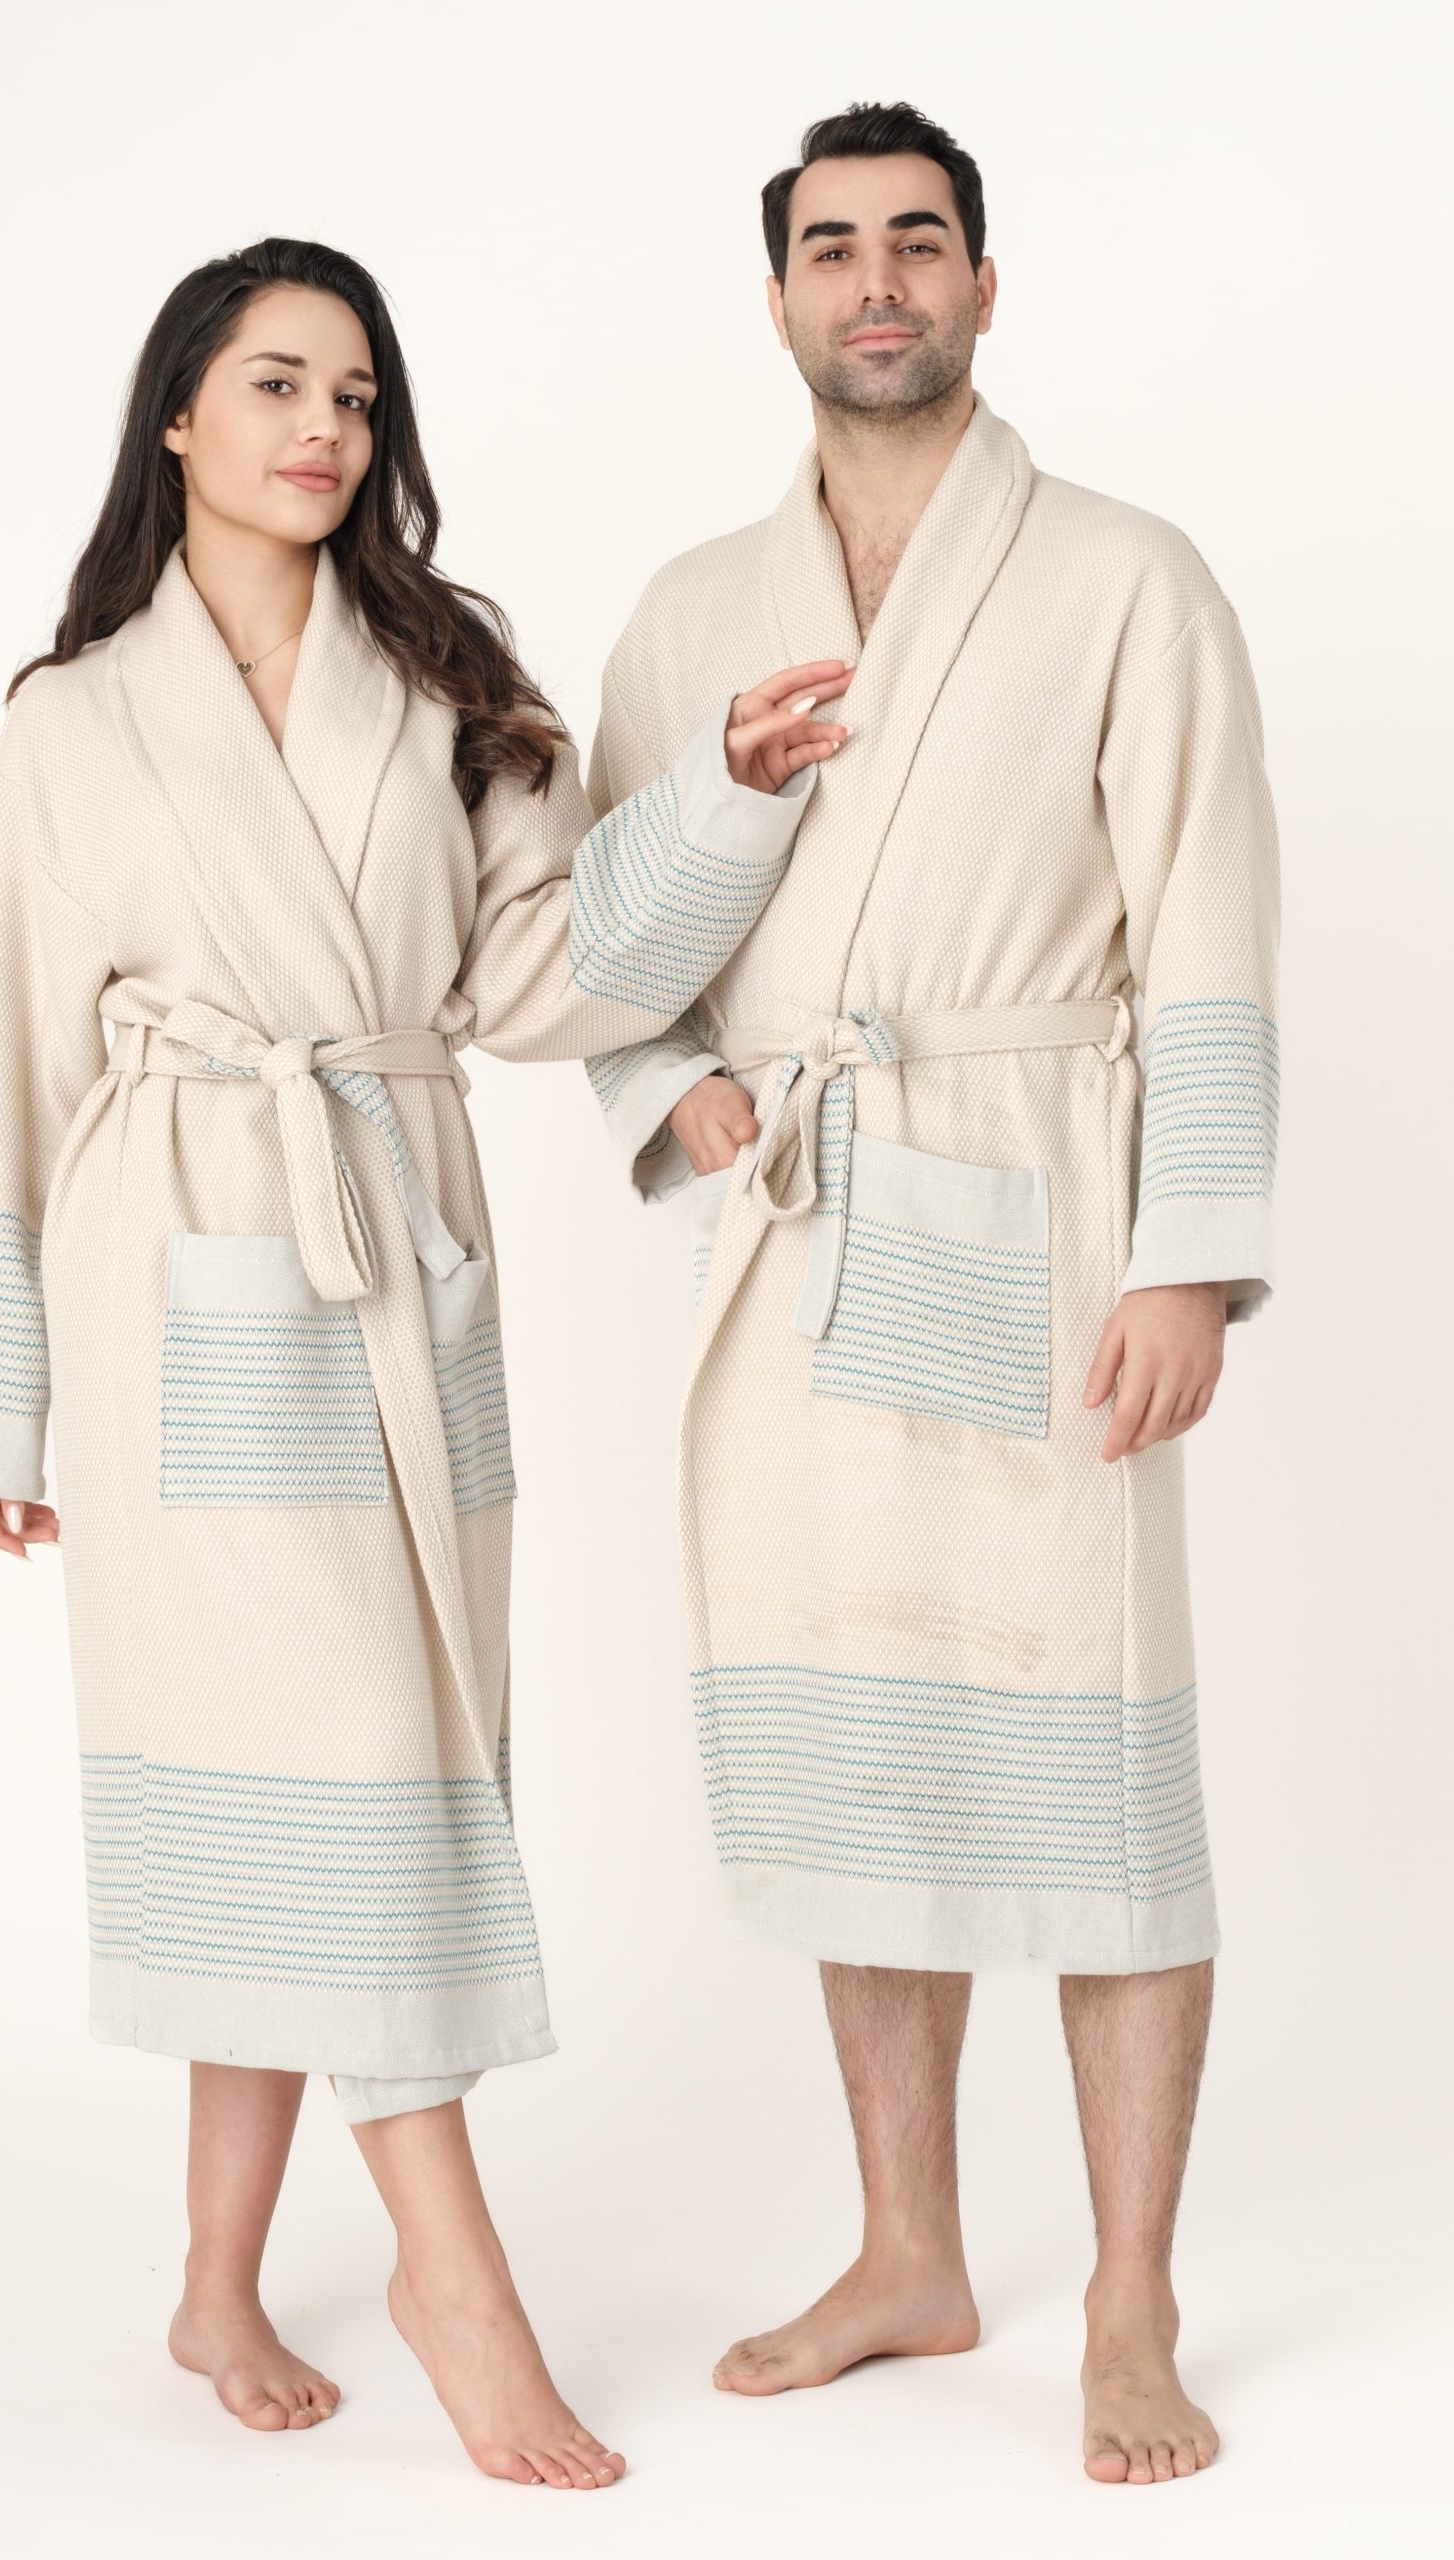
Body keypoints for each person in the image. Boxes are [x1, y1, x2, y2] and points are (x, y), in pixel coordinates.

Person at [0, 234, 850, 2490]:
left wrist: (720, 796)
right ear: (177, 416)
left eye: (353, 395)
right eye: (273, 383)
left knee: (330, 1777)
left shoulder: (437, 681)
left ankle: (215, 2282)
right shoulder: (72, 717)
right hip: (169, 1266)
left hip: (397, 1259)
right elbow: (11, 1043)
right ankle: (455, 2278)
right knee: (328, 1759)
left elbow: (539, 976)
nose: (321, 427)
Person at [582, 103, 1278, 2487]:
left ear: (982, 283)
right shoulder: (690, 605)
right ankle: (906, 2245)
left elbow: (1203, 920)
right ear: (774, 296)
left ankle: (1129, 2297)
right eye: (828, 246)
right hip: (802, 1224)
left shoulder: (1122, 575)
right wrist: (666, 1087)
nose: (871, 278)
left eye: (913, 240)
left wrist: (1187, 1255)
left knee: (1094, 1762)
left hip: (1049, 1212)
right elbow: (603, 925)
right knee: (853, 1742)